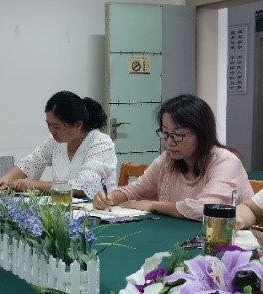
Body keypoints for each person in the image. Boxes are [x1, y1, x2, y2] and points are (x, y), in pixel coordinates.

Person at [92, 94, 253, 220]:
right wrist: (110, 198)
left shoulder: (225, 161)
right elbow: (136, 190)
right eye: (165, 133)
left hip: (230, 242)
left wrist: (154, 205)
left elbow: (207, 209)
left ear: (202, 133)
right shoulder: (167, 160)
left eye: (178, 135)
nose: (169, 142)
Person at [0, 91, 117, 198]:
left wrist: (35, 185)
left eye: (57, 127)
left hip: (97, 211)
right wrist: (5, 180)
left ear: (78, 125)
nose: (52, 131)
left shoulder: (101, 143)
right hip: (62, 207)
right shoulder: (55, 141)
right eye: (48, 125)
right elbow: (31, 163)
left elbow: (84, 186)